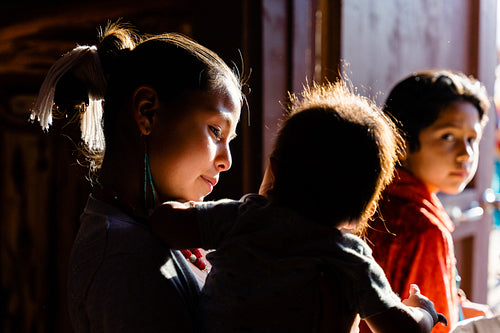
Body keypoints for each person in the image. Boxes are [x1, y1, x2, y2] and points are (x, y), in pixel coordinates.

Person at [149, 80, 448, 332]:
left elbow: (166, 222)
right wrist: (423, 312)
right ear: (360, 212)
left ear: (275, 171)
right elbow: (402, 328)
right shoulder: (350, 259)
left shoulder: (241, 217)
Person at [30, 20, 243, 332]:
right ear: (147, 113)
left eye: (229, 140)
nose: (226, 161)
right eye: (215, 131)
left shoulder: (161, 230)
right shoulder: (122, 261)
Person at [359, 70, 491, 333]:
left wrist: (457, 305)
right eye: (447, 136)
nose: (466, 155)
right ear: (402, 141)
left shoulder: (371, 198)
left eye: (472, 139)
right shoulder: (423, 228)